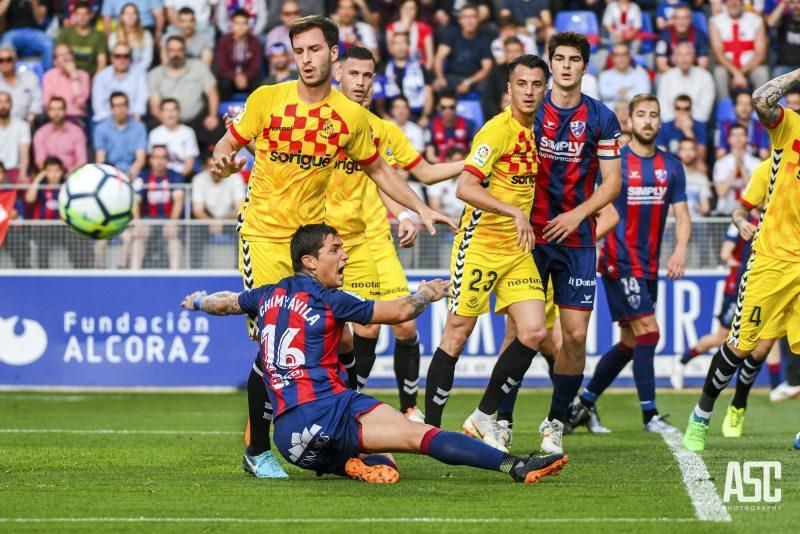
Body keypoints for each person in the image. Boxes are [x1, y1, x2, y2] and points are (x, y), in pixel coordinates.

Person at [210, 15, 453, 479]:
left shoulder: (350, 116)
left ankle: (332, 426)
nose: (305, 59)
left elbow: (381, 171)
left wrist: (419, 210)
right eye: (298, 51)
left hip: (310, 241)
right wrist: (223, 162)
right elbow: (228, 145)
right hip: (262, 234)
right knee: (274, 344)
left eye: (314, 50)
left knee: (341, 338)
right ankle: (258, 449)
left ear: (334, 54)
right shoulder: (267, 100)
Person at [181, 223, 568, 484]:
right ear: (310, 261)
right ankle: (514, 466)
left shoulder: (267, 294)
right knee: (419, 436)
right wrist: (429, 293)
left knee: (272, 367)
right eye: (336, 249)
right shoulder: (329, 298)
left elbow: (226, 303)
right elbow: (400, 311)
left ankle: (344, 462)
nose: (345, 256)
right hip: (329, 410)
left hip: (291, 440)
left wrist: (198, 301)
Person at [422, 54, 550, 449]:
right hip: (478, 246)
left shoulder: (536, 131)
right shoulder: (496, 131)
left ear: (544, 90)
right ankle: (427, 431)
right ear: (508, 90)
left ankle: (481, 416)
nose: (528, 91)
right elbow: (465, 187)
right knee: (457, 335)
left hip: (516, 248)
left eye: (536, 85)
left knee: (533, 332)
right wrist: (513, 210)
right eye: (521, 84)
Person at [683, 68, 800, 451]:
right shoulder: (789, 131)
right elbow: (762, 101)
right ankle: (701, 416)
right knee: (741, 346)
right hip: (772, 258)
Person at [522, 31, 622, 455]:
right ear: (550, 66)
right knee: (522, 332)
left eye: (573, 59)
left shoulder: (602, 118)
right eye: (558, 59)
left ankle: (556, 422)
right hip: (529, 234)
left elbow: (613, 183)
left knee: (575, 338)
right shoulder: (528, 108)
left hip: (577, 238)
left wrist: (578, 214)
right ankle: (500, 421)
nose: (565, 66)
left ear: (585, 66)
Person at [567, 93, 691, 434]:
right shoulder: (616, 163)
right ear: (630, 122)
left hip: (648, 266)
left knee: (631, 342)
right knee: (650, 332)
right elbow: (596, 208)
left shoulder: (671, 166)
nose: (648, 120)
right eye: (641, 114)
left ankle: (583, 403)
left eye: (653, 114)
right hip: (619, 263)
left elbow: (682, 215)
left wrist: (680, 250)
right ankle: (650, 415)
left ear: (660, 121)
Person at [148, 35, 221, 152]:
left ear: (184, 51)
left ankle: (210, 164)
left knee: (216, 126)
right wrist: (170, 122)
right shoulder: (155, 74)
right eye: (172, 50)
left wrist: (212, 115)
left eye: (179, 50)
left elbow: (212, 93)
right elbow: (155, 106)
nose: (175, 54)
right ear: (166, 52)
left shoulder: (199, 66)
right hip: (168, 120)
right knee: (151, 126)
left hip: (197, 119)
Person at [24, 157, 92, 268]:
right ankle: (43, 272)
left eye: (57, 171)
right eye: (50, 171)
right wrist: (38, 178)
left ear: (62, 172)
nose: (54, 175)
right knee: (42, 246)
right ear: (45, 172)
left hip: (63, 226)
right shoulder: (41, 188)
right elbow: (29, 199)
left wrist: (68, 178)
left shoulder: (67, 188)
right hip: (44, 227)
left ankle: (80, 270)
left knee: (77, 242)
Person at [131, 145, 184, 269]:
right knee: (138, 236)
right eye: (156, 157)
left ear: (167, 160)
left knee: (173, 237)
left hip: (168, 220)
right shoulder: (143, 176)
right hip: (147, 220)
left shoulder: (175, 176)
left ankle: (175, 274)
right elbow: (135, 200)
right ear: (150, 160)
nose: (159, 161)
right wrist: (137, 222)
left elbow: (179, 198)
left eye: (163, 157)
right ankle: (134, 273)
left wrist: (173, 222)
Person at [709, 0, 769, 100]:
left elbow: (760, 54)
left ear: (742, 2)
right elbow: (718, 53)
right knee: (719, 73)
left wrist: (740, 73)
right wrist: (736, 73)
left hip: (750, 68)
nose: (733, 3)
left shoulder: (756, 20)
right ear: (725, 3)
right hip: (727, 69)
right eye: (730, 0)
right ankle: (725, 110)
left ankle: (761, 110)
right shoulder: (715, 21)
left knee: (762, 72)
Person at [432, 4, 493, 95]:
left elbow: (486, 68)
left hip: (473, 79)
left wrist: (468, 82)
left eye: (473, 17)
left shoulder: (484, 39)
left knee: (488, 88)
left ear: (478, 20)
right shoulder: (452, 34)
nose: (469, 21)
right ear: (460, 20)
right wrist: (440, 77)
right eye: (465, 17)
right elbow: (439, 58)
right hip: (452, 77)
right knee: (436, 85)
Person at [378, 31, 433, 125]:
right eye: (396, 43)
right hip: (390, 118)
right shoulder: (384, 68)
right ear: (391, 47)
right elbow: (379, 95)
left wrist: (425, 116)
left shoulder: (420, 67)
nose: (400, 46)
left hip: (416, 116)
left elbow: (428, 93)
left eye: (403, 42)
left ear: (408, 46)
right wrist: (384, 116)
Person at [657, 42, 715, 123]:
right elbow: (662, 107)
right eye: (680, 54)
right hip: (671, 124)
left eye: (688, 54)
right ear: (675, 58)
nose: (684, 58)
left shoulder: (705, 76)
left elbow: (705, 110)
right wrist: (675, 122)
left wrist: (689, 122)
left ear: (693, 57)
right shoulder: (666, 77)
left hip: (696, 124)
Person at [94, 91, 147, 178]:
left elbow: (140, 159)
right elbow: (100, 160)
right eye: (116, 106)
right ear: (111, 109)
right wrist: (113, 177)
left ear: (128, 107)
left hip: (134, 175)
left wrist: (127, 176)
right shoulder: (101, 129)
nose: (120, 109)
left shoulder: (139, 127)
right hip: (110, 174)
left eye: (123, 105)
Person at [91, 43, 149, 123]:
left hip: (132, 119)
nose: (122, 60)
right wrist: (112, 122)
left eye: (126, 56)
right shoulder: (101, 76)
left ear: (130, 58)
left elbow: (141, 99)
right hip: (107, 120)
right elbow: (98, 105)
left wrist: (134, 116)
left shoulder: (139, 74)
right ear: (111, 58)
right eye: (118, 56)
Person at [215, 9, 263, 100]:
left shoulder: (254, 41)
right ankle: (224, 112)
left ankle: (254, 112)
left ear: (248, 25)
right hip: (229, 77)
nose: (240, 27)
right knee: (223, 84)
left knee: (258, 83)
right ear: (232, 25)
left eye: (244, 23)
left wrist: (245, 76)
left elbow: (255, 66)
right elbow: (222, 66)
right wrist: (235, 77)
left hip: (248, 77)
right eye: (237, 23)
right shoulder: (224, 41)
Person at [712, 124, 760, 215]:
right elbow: (721, 192)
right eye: (734, 135)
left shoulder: (756, 163)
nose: (738, 138)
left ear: (747, 138)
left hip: (748, 212)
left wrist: (741, 167)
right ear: (729, 139)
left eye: (741, 135)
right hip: (725, 213)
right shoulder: (721, 163)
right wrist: (735, 169)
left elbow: (755, 191)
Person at [33, 97, 88, 173]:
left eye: (60, 109)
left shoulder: (76, 131)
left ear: (65, 111)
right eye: (53, 109)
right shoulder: (41, 133)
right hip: (49, 177)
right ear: (48, 112)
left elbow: (82, 161)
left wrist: (68, 175)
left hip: (72, 175)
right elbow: (40, 162)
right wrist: (54, 175)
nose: (56, 113)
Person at [148, 98, 199, 177]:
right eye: (166, 110)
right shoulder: (154, 134)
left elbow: (190, 163)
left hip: (183, 177)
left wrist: (178, 180)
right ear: (161, 113)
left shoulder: (188, 132)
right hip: (160, 178)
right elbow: (152, 162)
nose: (170, 114)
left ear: (179, 112)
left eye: (173, 110)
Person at [57, 1, 109, 76]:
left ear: (91, 15)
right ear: (74, 15)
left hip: (91, 78)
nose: (82, 17)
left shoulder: (99, 35)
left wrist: (96, 81)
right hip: (68, 75)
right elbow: (58, 58)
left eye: (85, 14)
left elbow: (102, 62)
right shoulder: (66, 33)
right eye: (79, 14)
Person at [714, 91, 770, 160]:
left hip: (753, 162)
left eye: (747, 104)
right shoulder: (726, 125)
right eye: (741, 103)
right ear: (734, 108)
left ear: (753, 108)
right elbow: (720, 153)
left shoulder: (759, 126)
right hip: (730, 161)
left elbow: (764, 153)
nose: (744, 107)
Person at [655, 4, 710, 73]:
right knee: (659, 78)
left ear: (690, 20)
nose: (681, 22)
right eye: (678, 18)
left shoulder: (700, 36)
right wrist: (679, 78)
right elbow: (661, 65)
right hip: (671, 74)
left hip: (694, 75)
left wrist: (689, 77)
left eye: (685, 18)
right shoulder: (664, 36)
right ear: (673, 20)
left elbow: (703, 65)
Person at [0, 0, 53, 70]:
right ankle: (4, 78)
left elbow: (40, 21)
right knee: (4, 47)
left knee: (49, 45)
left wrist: (34, 4)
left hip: (33, 32)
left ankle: (47, 77)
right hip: (12, 33)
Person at [656, 95, 708, 167]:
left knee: (702, 166)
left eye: (686, 109)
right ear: (674, 110)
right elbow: (661, 155)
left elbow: (701, 158)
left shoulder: (700, 126)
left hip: (692, 166)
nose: (682, 112)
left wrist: (688, 131)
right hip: (672, 167)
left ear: (690, 110)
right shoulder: (664, 127)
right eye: (678, 108)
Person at [425, 91, 475, 163]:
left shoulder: (469, 124)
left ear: (456, 106)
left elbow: (474, 151)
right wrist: (447, 165)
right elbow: (430, 156)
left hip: (463, 165)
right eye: (443, 107)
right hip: (441, 166)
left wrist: (459, 162)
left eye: (451, 107)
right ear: (438, 107)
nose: (447, 111)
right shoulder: (431, 126)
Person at [598, 43, 651, 109]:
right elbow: (604, 93)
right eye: (617, 55)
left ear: (629, 56)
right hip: (611, 116)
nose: (621, 58)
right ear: (612, 58)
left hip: (634, 115)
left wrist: (617, 93)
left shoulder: (640, 75)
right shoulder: (605, 75)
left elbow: (643, 95)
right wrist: (629, 91)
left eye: (624, 54)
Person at [386, 0, 434, 69]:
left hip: (419, 68)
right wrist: (404, 26)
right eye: (405, 8)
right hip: (397, 68)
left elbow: (430, 58)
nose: (408, 11)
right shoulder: (391, 28)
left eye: (412, 8)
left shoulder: (425, 28)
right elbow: (391, 51)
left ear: (417, 11)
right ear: (400, 9)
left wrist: (424, 74)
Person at [0, 46, 42, 124]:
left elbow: (38, 101)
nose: (5, 63)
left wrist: (30, 120)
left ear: (15, 61)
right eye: (1, 60)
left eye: (8, 59)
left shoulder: (30, 77)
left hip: (27, 122)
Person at [108, 2, 155, 71]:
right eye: (127, 14)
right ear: (121, 17)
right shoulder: (114, 36)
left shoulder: (146, 35)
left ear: (137, 16)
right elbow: (115, 59)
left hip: (141, 72)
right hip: (120, 71)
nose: (130, 16)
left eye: (133, 13)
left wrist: (134, 73)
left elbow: (147, 60)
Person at [0, 91, 31, 184]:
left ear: (11, 104)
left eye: (6, 102)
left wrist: (23, 173)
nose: (3, 106)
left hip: (14, 171)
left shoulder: (22, 126)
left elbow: (24, 153)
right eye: (0, 102)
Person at [677, 139, 711, 217]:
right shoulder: (672, 176)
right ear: (679, 152)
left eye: (690, 149)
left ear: (696, 152)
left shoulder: (702, 179)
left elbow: (706, 208)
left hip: (696, 224)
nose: (687, 153)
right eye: (684, 149)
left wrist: (697, 209)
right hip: (675, 224)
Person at [768, 0, 800, 77]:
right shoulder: (784, 19)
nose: (796, 6)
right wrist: (783, 3)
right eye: (792, 2)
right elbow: (771, 23)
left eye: (799, 2)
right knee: (777, 74)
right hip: (784, 68)